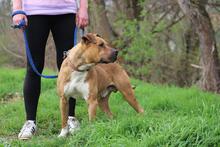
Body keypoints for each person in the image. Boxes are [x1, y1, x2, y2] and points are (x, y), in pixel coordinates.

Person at [12, 0, 89, 139]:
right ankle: (30, 122)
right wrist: (17, 9)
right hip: (34, 12)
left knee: (69, 67)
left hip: (66, 12)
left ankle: (70, 118)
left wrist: (83, 8)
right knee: (34, 66)